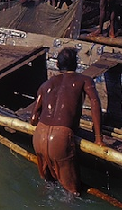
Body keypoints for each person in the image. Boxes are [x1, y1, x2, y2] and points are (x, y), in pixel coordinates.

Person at [30, 47, 104, 197]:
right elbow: (95, 103)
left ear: (57, 65)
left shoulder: (47, 84)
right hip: (60, 138)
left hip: (39, 135)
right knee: (72, 193)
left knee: (49, 184)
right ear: (76, 64)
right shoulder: (84, 80)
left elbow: (33, 120)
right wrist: (98, 139)